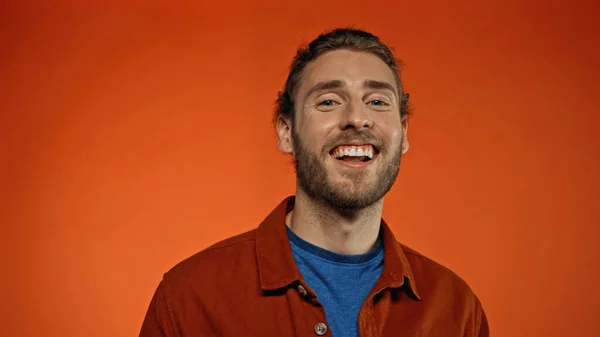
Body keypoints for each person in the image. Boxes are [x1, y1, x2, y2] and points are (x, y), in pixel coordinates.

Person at [139, 28, 489, 337]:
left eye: (378, 101)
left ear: (404, 134)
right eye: (328, 101)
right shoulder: (189, 298)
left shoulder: (458, 309)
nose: (356, 118)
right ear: (286, 132)